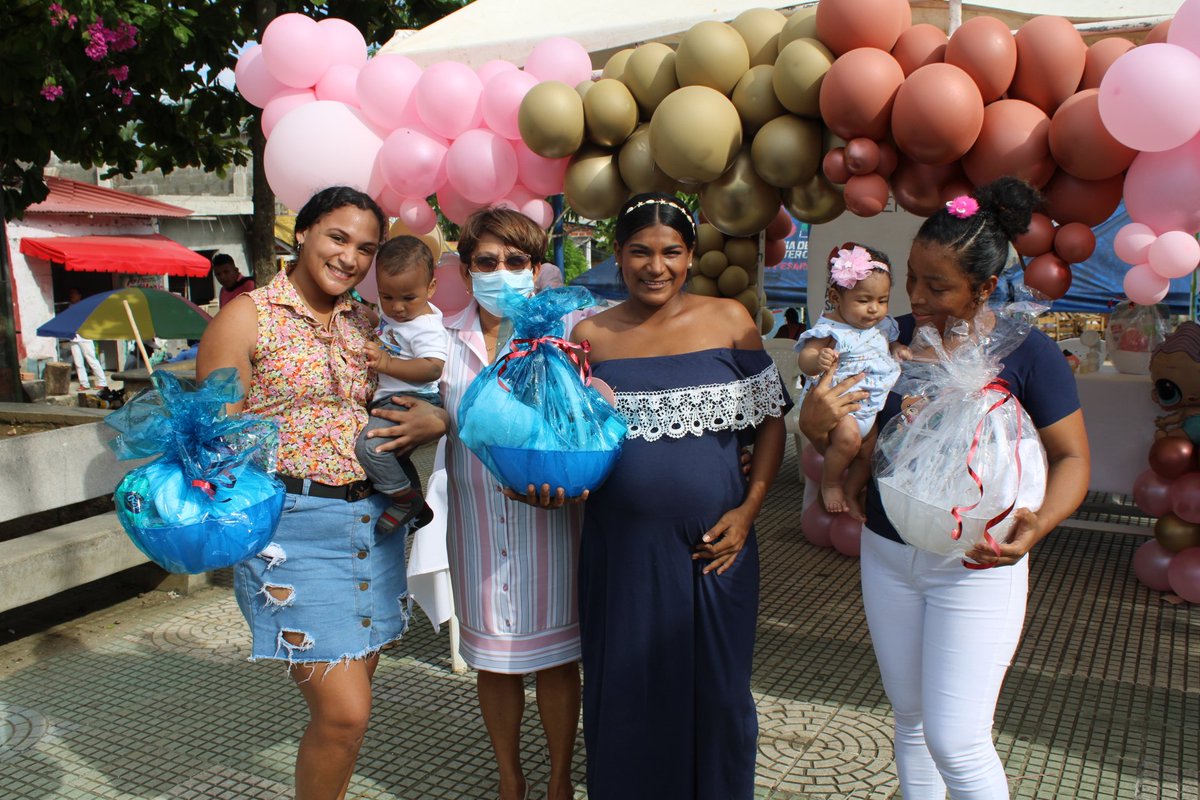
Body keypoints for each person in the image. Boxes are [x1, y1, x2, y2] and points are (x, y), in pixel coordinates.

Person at [799, 178, 1090, 799]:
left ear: (984, 287)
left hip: (976, 564)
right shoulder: (884, 343)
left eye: (938, 286)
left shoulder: (1027, 352)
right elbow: (844, 433)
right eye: (911, 279)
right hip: (887, 552)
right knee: (911, 723)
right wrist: (817, 425)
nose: (917, 298)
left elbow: (1072, 459)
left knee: (957, 739)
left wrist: (1040, 523)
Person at [196, 186, 446, 800]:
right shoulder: (247, 316)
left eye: (366, 247)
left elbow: (421, 392)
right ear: (301, 233)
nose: (351, 258)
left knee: (348, 713)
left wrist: (436, 423)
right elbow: (213, 440)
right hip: (292, 531)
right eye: (338, 238)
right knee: (344, 714)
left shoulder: (368, 320)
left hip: (373, 524)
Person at [567, 193, 788, 800]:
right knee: (627, 691)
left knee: (717, 693)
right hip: (622, 551)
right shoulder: (590, 335)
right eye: (639, 252)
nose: (654, 266)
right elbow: (569, 437)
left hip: (716, 549)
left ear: (690, 257)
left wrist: (748, 510)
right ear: (618, 255)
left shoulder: (730, 321)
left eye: (670, 252)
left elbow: (771, 423)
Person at [415, 207, 583, 800]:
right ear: (465, 268)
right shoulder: (439, 338)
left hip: (554, 523)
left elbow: (589, 417)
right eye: (487, 261)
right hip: (477, 524)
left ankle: (560, 780)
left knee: (559, 659)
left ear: (537, 269)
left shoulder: (564, 335)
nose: (502, 272)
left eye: (517, 261)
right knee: (493, 659)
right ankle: (511, 780)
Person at [795, 244, 907, 517]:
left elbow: (891, 343)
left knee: (869, 454)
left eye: (882, 301)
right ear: (836, 296)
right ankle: (830, 483)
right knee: (847, 440)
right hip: (842, 408)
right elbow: (806, 356)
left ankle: (851, 491)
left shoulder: (882, 326)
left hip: (870, 406)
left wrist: (898, 349)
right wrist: (817, 359)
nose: (874, 310)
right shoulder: (831, 328)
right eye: (863, 300)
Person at [356, 235, 447, 533]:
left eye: (408, 298)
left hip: (410, 400)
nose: (397, 308)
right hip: (391, 398)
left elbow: (433, 367)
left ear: (431, 288)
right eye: (387, 297)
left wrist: (386, 364)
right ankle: (417, 505)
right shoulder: (398, 313)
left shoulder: (426, 326)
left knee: (369, 449)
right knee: (393, 452)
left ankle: (405, 500)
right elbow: (385, 326)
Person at [64, 287, 109, 392]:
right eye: (71, 294)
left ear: (79, 296)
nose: (72, 296)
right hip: (73, 337)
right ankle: (84, 383)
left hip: (85, 337)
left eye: (74, 294)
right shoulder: (70, 307)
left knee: (91, 359)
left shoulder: (85, 306)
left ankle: (102, 382)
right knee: (78, 363)